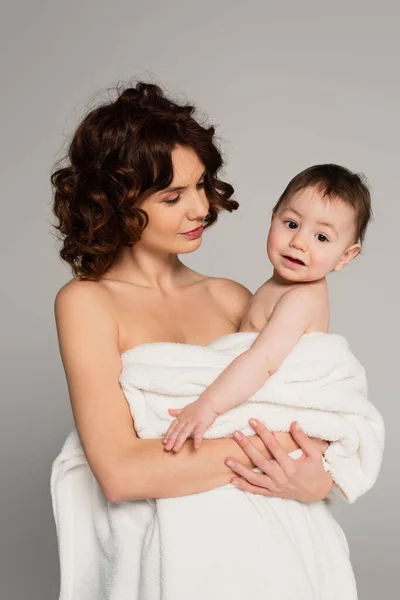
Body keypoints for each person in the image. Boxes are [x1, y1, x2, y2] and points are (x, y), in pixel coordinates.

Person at [51, 82, 364, 600]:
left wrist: (316, 479)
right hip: (174, 567)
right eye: (174, 196)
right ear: (116, 200)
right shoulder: (86, 303)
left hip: (276, 561)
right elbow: (122, 473)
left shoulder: (229, 297)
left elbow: (301, 413)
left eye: (202, 185)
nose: (200, 209)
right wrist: (277, 450)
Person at [163, 164, 371, 452]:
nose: (299, 242)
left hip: (271, 410)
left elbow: (263, 361)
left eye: (321, 237)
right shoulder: (276, 286)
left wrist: (208, 404)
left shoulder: (302, 298)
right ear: (273, 219)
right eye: (291, 224)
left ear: (345, 256)